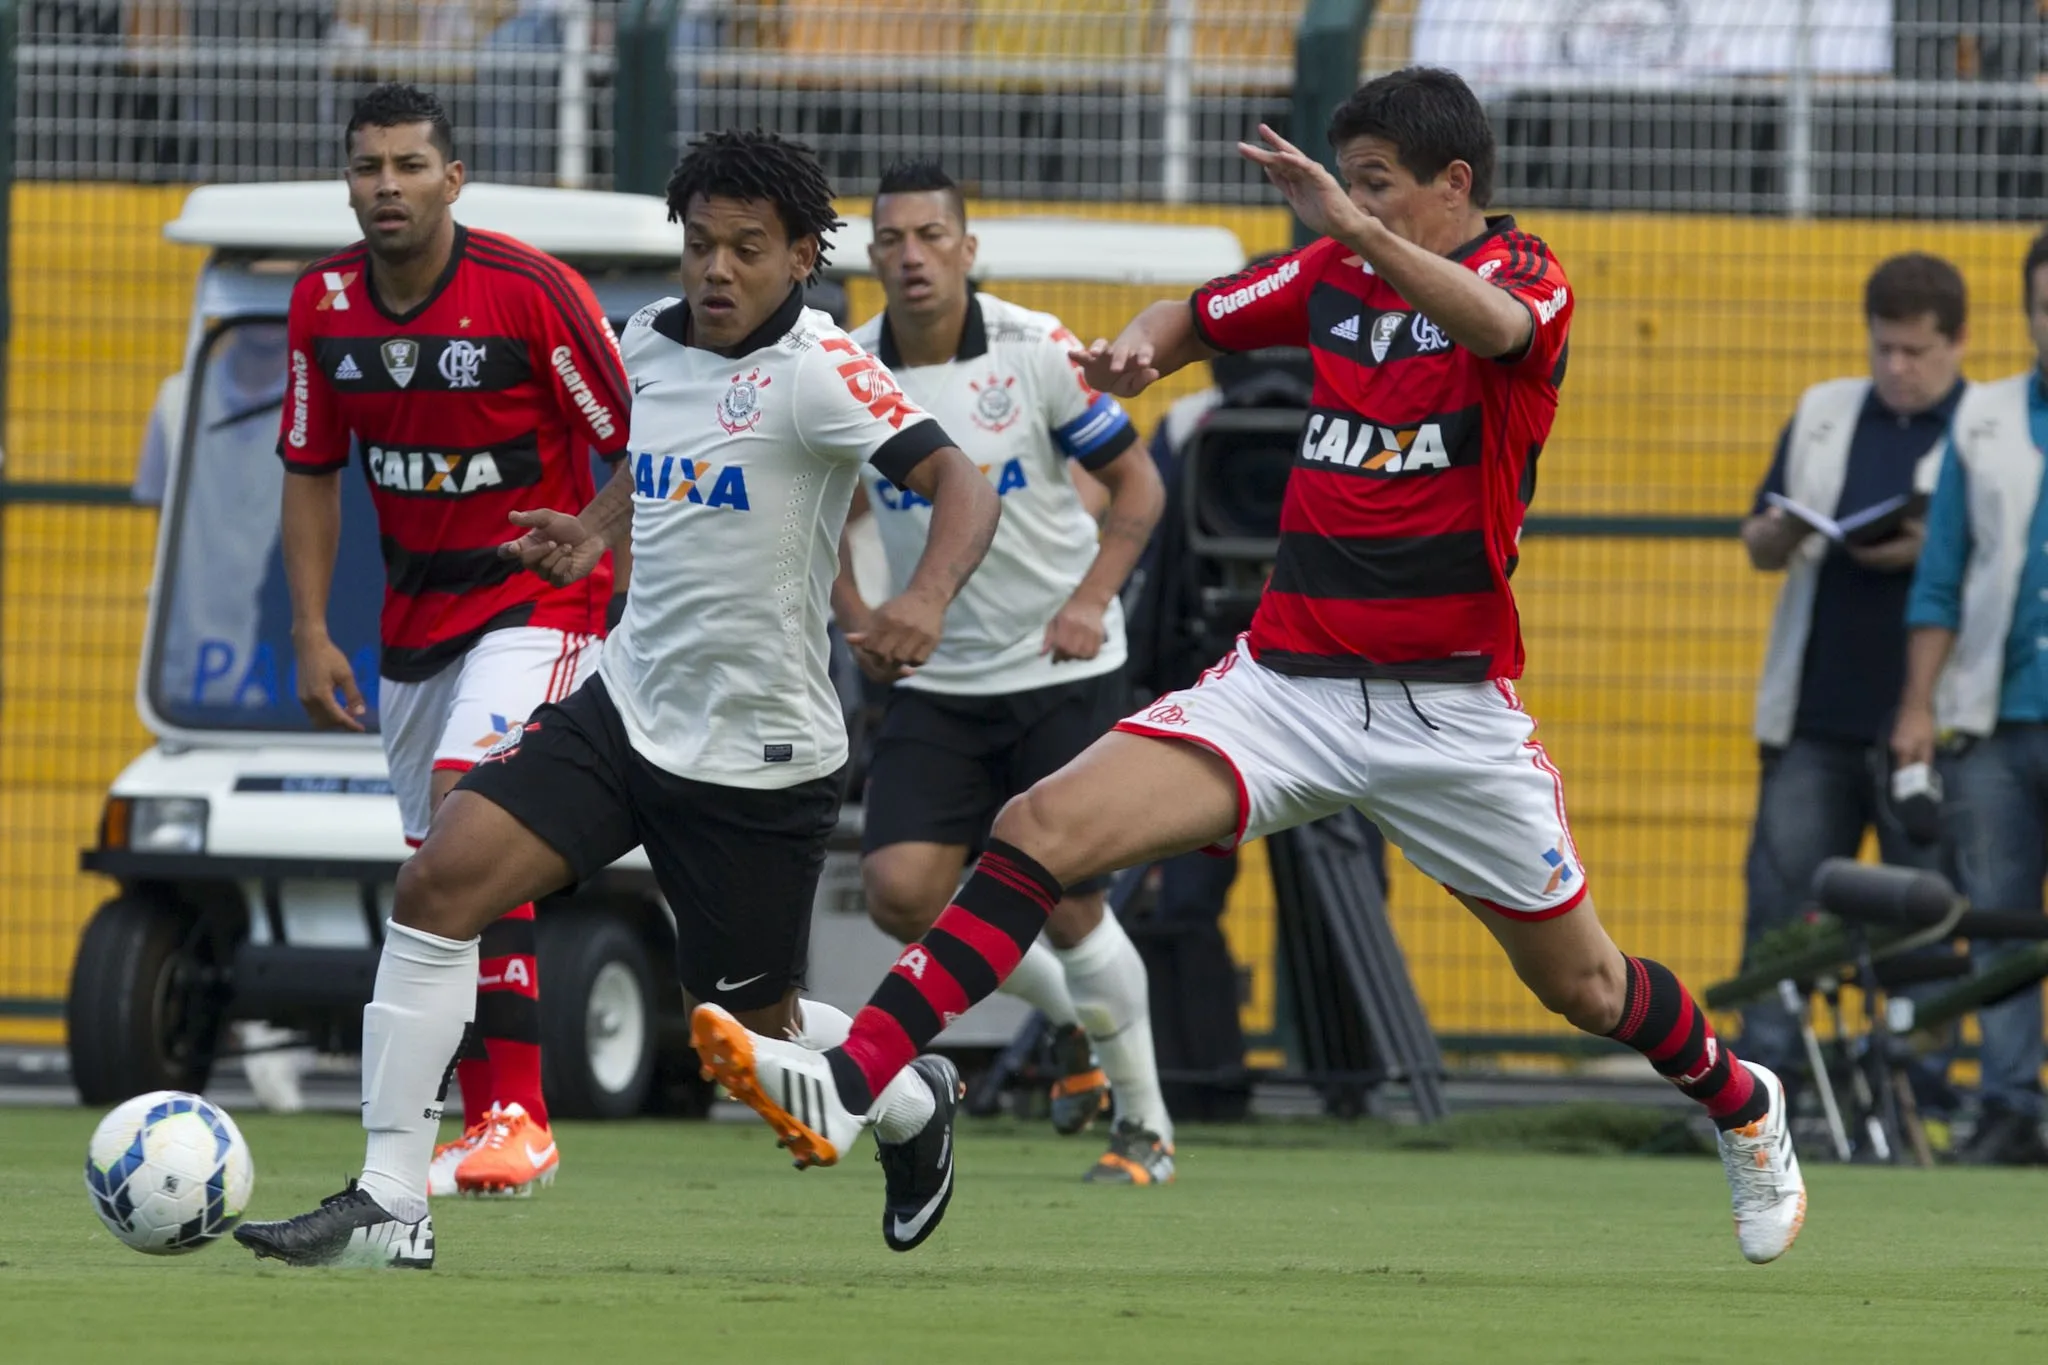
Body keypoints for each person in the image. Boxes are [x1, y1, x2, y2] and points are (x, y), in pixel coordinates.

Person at [693, 67, 1809, 1266]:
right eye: (1348, 185)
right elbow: (1197, 314)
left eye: (1376, 185)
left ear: (1455, 186)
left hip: (1448, 717)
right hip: (1282, 686)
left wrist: (1354, 227)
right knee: (1036, 828)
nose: (1348, 208)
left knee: (1585, 991)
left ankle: (1741, 1103)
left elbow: (1497, 332)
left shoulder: (1519, 278)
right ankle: (859, 1081)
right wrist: (1140, 351)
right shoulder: (1336, 274)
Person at [235, 129, 1002, 1268]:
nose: (717, 271)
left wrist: (927, 599)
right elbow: (649, 468)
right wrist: (589, 530)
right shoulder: (645, 338)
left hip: (756, 755)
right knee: (439, 879)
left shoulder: (823, 371)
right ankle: (391, 1195)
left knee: (754, 1035)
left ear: (801, 258)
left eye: (748, 250)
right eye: (700, 246)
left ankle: (907, 1102)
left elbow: (962, 483)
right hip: (624, 709)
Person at [265, 83, 635, 1198]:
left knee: (481, 814)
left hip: (541, 605)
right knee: (440, 877)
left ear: (453, 178)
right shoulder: (321, 306)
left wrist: (589, 536)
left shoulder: (528, 293)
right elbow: (309, 473)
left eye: (410, 165)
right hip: (411, 630)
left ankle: (515, 1117)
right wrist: (310, 631)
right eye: (369, 166)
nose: (388, 185)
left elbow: (639, 435)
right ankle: (470, 1133)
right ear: (349, 180)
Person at [832, 159, 1174, 1181]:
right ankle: (1073, 1022)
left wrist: (1087, 602)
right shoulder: (850, 369)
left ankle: (1143, 1130)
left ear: (965, 249)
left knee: (1067, 903)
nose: (911, 256)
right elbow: (833, 518)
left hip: (1059, 670)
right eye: (892, 239)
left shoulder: (1034, 350)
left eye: (932, 236)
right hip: (941, 680)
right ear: (872, 254)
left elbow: (1137, 488)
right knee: (897, 892)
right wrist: (860, 616)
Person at [1737, 253, 1966, 1111]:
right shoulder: (1827, 411)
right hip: (1816, 713)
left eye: (1916, 352)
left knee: (1929, 916)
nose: (1898, 369)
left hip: (1928, 721)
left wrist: (1930, 550)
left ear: (1957, 343)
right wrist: (1773, 535)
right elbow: (1763, 532)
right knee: (1781, 902)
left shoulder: (1984, 427)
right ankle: (1763, 1081)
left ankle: (1920, 1084)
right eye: (1885, 350)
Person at [1893, 227, 2048, 1167]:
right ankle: (2008, 1101)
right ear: (2028, 313)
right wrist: (1918, 705)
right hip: (1993, 719)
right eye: (2044, 305)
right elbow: (1940, 575)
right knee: (1995, 916)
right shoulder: (1983, 418)